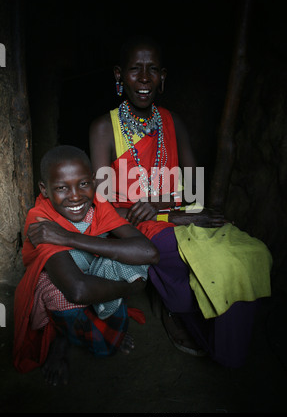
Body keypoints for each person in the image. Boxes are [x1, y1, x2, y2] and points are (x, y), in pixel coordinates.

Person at [89, 36, 272, 368]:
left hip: (178, 213)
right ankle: (190, 321)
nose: (144, 78)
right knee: (217, 263)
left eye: (153, 70)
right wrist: (167, 218)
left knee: (252, 253)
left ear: (163, 77)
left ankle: (228, 338)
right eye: (134, 69)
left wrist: (164, 208)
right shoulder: (104, 128)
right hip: (134, 225)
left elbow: (195, 191)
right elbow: (102, 208)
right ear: (119, 75)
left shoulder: (174, 123)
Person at [13, 145, 159, 386]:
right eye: (61, 187)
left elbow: (149, 252)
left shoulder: (98, 204)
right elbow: (77, 290)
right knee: (71, 303)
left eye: (83, 184)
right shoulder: (40, 219)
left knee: (130, 262)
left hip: (91, 274)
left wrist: (68, 237)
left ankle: (91, 328)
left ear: (93, 181)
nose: (75, 196)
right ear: (45, 190)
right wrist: (132, 288)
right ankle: (61, 339)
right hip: (65, 282)